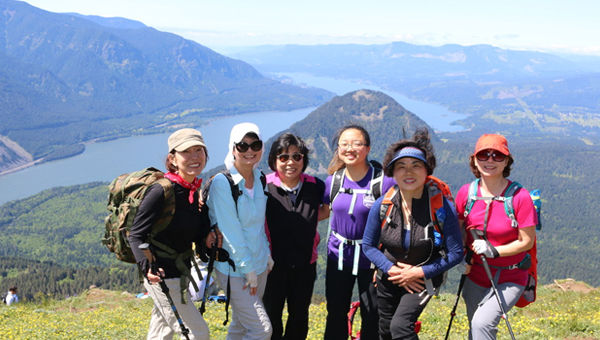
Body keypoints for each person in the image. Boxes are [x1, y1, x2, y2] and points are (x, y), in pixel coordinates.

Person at [362, 128, 463, 340]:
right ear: (393, 173)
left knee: (401, 328)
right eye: (401, 167)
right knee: (386, 331)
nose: (409, 172)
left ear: (427, 170)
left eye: (416, 166)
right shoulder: (383, 205)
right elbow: (368, 246)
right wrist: (392, 270)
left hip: (422, 280)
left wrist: (419, 273)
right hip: (388, 277)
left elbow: (456, 252)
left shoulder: (441, 207)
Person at [129, 128, 218, 340]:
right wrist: (146, 268)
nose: (195, 156)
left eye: (199, 150)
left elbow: (187, 230)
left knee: (161, 333)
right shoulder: (162, 191)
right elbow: (135, 235)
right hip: (163, 277)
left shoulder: (193, 189)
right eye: (186, 151)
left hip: (180, 275)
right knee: (198, 333)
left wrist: (205, 237)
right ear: (173, 159)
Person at [455, 134, 537, 340]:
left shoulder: (520, 197)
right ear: (474, 159)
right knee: (477, 329)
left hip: (511, 277)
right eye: (483, 155)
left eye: (497, 156)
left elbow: (527, 241)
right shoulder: (466, 193)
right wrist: (461, 255)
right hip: (475, 275)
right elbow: (459, 232)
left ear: (507, 161)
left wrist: (495, 251)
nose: (490, 160)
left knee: (481, 324)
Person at [322, 125, 395, 340]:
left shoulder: (383, 182)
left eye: (356, 143)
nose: (349, 149)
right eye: (344, 144)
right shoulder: (333, 181)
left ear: (367, 148)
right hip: (338, 255)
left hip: (372, 257)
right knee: (335, 312)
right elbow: (323, 211)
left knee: (372, 313)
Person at [206, 122, 272, 340]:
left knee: (241, 325)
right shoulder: (223, 184)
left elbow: (258, 225)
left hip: (260, 264)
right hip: (236, 270)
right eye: (242, 146)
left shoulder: (260, 178)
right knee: (262, 330)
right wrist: (248, 270)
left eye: (255, 144)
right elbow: (231, 232)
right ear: (233, 149)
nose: (249, 150)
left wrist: (267, 253)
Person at [263, 133, 328, 340]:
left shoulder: (315, 185)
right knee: (271, 317)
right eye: (283, 157)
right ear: (274, 160)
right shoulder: (264, 185)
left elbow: (324, 211)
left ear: (303, 160)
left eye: (297, 157)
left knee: (299, 318)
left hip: (305, 264)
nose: (290, 162)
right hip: (272, 266)